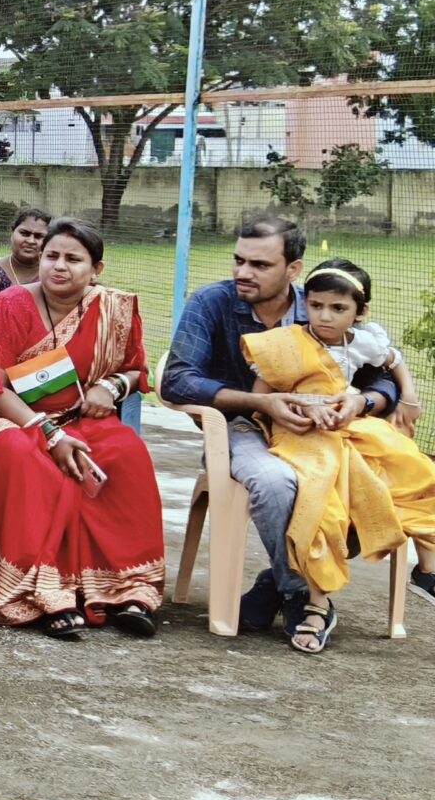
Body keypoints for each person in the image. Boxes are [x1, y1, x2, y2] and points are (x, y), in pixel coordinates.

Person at [159, 216, 406, 635]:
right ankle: (304, 595)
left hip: (319, 436)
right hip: (242, 430)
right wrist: (262, 403)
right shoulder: (211, 302)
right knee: (277, 483)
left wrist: (362, 401)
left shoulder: (321, 304)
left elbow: (380, 376)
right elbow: (177, 380)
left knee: (376, 484)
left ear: (293, 269)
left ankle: (271, 587)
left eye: (259, 265)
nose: (243, 272)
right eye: (239, 260)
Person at [0, 218, 165, 639]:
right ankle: (38, 591)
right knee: (25, 457)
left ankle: (125, 588)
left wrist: (110, 387)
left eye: (73, 259)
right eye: (51, 256)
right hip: (6, 413)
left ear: (96, 270)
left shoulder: (112, 309)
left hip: (76, 413)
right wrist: (49, 434)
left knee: (125, 452)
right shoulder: (9, 304)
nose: (59, 266)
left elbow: (136, 370)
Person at [240, 258, 435, 655]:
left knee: (411, 467)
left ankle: (427, 569)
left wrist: (409, 398)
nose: (325, 316)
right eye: (316, 306)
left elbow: (394, 361)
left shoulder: (362, 342)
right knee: (324, 496)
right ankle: (316, 602)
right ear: (305, 304)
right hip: (298, 432)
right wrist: (299, 409)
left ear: (359, 313)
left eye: (338, 308)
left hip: (347, 427)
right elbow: (261, 400)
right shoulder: (283, 343)